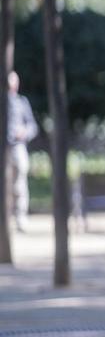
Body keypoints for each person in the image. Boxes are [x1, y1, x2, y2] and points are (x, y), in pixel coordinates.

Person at [7, 72, 37, 233]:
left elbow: (32, 126)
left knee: (19, 185)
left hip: (18, 147)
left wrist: (24, 132)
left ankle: (20, 218)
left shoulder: (22, 102)